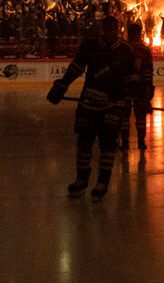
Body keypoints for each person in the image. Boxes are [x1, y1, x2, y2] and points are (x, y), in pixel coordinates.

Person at [47, 15, 135, 198]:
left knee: (108, 143)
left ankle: (103, 181)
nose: (110, 34)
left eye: (113, 30)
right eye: (107, 30)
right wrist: (63, 84)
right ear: (102, 30)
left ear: (118, 30)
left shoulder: (126, 50)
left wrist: (136, 99)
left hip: (114, 103)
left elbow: (132, 79)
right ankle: (82, 179)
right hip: (89, 101)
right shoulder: (90, 46)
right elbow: (77, 67)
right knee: (84, 142)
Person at [121, 21, 155, 151]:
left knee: (124, 117)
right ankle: (141, 142)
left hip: (125, 88)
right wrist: (148, 89)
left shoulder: (122, 48)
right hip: (140, 88)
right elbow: (148, 72)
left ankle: (125, 143)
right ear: (140, 34)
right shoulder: (145, 50)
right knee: (140, 117)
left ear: (129, 34)